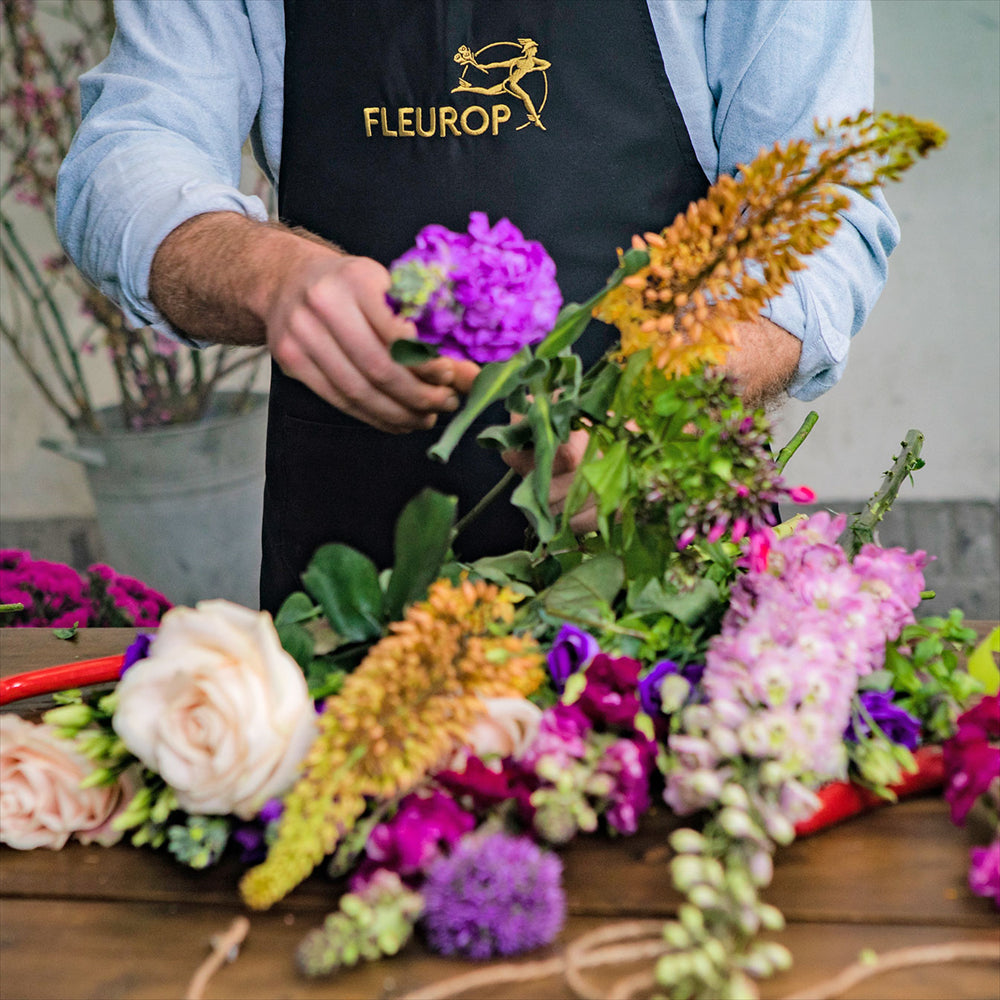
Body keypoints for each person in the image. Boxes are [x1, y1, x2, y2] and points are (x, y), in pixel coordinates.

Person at [56, 0, 897, 613]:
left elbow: (815, 217)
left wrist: (667, 395)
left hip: (652, 574)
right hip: (351, 593)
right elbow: (128, 149)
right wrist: (271, 274)